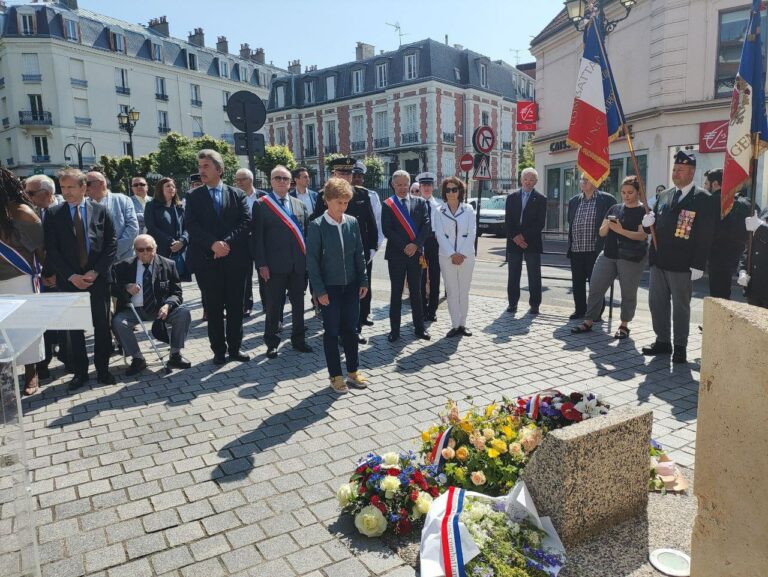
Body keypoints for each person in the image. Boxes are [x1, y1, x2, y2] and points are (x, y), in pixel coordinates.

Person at [44, 168, 117, 390]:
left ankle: (103, 370)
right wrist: (71, 276)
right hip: (70, 282)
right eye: (63, 188)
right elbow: (52, 251)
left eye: (71, 187)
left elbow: (111, 244)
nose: (66, 192)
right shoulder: (54, 214)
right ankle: (80, 373)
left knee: (102, 327)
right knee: (74, 329)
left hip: (97, 280)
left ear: (84, 187)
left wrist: (95, 272)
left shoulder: (101, 211)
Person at [641, 151, 715, 364]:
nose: (675, 173)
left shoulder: (702, 198)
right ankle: (663, 341)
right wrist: (648, 225)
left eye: (680, 170)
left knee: (681, 306)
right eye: (674, 169)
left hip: (682, 263)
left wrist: (699, 263)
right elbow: (655, 227)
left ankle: (680, 345)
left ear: (691, 172)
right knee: (657, 303)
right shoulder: (665, 196)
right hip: (659, 260)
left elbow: (705, 234)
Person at [185, 149, 252, 365]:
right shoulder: (193, 196)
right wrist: (213, 244)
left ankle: (235, 348)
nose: (201, 171)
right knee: (213, 309)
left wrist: (226, 243)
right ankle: (218, 351)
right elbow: (191, 226)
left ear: (219, 169)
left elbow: (246, 222)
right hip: (207, 261)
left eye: (206, 166)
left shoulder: (237, 194)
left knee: (235, 307)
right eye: (200, 166)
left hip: (234, 261)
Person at [306, 178, 369, 393]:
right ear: (327, 201)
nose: (342, 207)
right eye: (338, 203)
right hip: (330, 288)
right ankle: (335, 375)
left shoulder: (351, 222)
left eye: (345, 203)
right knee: (332, 332)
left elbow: (359, 253)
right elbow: (312, 261)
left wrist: (363, 280)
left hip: (351, 286)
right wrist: (319, 291)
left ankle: (353, 371)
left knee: (351, 330)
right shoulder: (317, 226)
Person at [571, 176, 649, 338]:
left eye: (630, 192)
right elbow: (601, 233)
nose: (626, 196)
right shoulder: (615, 208)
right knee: (595, 287)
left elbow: (642, 236)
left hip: (631, 257)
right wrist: (607, 225)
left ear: (638, 192)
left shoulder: (644, 210)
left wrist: (620, 230)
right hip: (608, 253)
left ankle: (624, 325)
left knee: (628, 292)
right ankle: (589, 320)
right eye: (623, 192)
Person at [312, 157, 378, 343]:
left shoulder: (362, 194)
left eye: (349, 173)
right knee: (338, 294)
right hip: (334, 256)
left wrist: (372, 247)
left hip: (359, 252)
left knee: (360, 291)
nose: (346, 176)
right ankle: (338, 331)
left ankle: (355, 328)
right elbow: (318, 224)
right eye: (342, 173)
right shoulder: (322, 196)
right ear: (334, 174)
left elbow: (371, 224)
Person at [251, 165, 313, 359]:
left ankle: (299, 340)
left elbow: (306, 234)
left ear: (290, 182)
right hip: (274, 267)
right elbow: (257, 239)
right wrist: (261, 264)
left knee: (299, 305)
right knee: (274, 306)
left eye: (285, 179)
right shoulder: (261, 205)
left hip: (298, 266)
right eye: (277, 178)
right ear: (271, 181)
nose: (282, 181)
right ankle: (272, 342)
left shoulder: (299, 204)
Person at [112, 234, 192, 375]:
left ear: (155, 248)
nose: (145, 252)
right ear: (135, 251)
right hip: (134, 309)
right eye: (140, 249)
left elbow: (177, 293)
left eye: (149, 248)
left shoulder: (168, 264)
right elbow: (111, 288)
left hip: (161, 309)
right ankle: (137, 358)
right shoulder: (122, 266)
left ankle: (175, 355)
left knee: (184, 313)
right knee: (118, 321)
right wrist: (126, 287)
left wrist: (168, 305)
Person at [0, 168, 45, 395]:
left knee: (26, 328)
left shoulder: (21, 212)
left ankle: (31, 373)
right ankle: (5, 377)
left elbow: (40, 248)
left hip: (20, 276)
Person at [382, 169, 432, 342]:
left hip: (415, 254)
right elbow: (387, 229)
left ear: (409, 184)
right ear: (393, 185)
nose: (402, 188)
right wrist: (405, 246)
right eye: (399, 185)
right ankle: (394, 331)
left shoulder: (420, 202)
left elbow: (426, 225)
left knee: (417, 293)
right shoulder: (388, 204)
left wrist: (415, 244)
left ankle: (419, 329)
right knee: (396, 293)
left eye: (405, 184)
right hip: (396, 255)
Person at [24, 175, 61, 380]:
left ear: (46, 194)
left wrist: (55, 272)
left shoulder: (65, 209)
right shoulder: (26, 213)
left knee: (65, 319)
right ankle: (43, 363)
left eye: (30, 193)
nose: (26, 196)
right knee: (42, 320)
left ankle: (68, 357)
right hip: (38, 277)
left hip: (62, 275)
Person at [566, 174, 616, 319]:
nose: (583, 182)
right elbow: (570, 221)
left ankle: (595, 313)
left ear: (595, 181)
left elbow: (612, 223)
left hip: (596, 250)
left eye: (586, 179)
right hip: (577, 249)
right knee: (577, 283)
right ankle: (580, 310)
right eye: (581, 179)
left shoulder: (607, 199)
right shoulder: (574, 200)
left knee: (596, 284)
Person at [432, 177, 476, 337]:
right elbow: (439, 235)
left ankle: (463, 324)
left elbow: (472, 232)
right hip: (446, 256)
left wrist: (462, 253)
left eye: (454, 189)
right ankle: (454, 324)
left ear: (460, 192)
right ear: (444, 192)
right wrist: (452, 253)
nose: (451, 193)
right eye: (448, 190)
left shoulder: (469, 209)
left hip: (467, 256)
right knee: (452, 291)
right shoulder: (439, 211)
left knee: (464, 291)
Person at [704, 169, 751, 299]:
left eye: (706, 184)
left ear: (714, 184)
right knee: (725, 294)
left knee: (717, 297)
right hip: (735, 256)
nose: (705, 187)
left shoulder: (711, 201)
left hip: (716, 257)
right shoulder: (742, 201)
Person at [505, 167, 547, 315]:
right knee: (513, 274)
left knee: (534, 275)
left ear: (536, 181)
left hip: (532, 242)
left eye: (531, 179)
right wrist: (516, 237)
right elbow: (508, 221)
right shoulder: (511, 197)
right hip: (513, 242)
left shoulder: (541, 199)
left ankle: (534, 305)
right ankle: (512, 304)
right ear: (521, 180)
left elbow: (539, 223)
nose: (528, 182)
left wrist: (523, 237)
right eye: (526, 179)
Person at [352, 160, 382, 328]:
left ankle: (365, 314)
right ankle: (353, 317)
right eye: (354, 175)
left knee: (366, 282)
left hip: (366, 247)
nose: (356, 178)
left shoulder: (371, 195)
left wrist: (374, 247)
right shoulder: (345, 194)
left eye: (359, 176)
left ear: (363, 178)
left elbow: (377, 223)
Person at [85, 171, 139, 263]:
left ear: (102, 183)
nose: (84, 187)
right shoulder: (83, 205)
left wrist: (112, 252)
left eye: (87, 183)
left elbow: (132, 228)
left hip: (122, 258)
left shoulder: (122, 199)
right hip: (95, 261)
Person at [233, 167, 266, 317]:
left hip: (261, 240)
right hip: (242, 242)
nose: (238, 182)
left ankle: (267, 303)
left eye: (242, 179)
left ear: (251, 180)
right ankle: (247, 305)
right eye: (237, 180)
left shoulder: (264, 196)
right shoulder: (234, 196)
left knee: (264, 272)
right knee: (244, 275)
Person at [144, 177, 190, 281]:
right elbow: (151, 227)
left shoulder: (180, 207)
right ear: (160, 189)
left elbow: (188, 227)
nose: (171, 188)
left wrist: (182, 241)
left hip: (179, 252)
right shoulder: (151, 206)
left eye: (173, 186)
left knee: (177, 285)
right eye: (168, 186)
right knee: (162, 282)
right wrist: (171, 242)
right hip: (161, 251)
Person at [416, 172, 442, 322]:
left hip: (434, 242)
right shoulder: (414, 203)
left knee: (435, 276)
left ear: (433, 187)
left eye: (429, 185)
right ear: (419, 187)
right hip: (420, 243)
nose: (426, 188)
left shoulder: (439, 204)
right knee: (420, 277)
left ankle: (432, 310)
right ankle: (422, 309)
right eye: (424, 185)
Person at [737, 208, 768, 308]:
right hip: (755, 286)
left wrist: (761, 227)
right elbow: (750, 247)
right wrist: (743, 270)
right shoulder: (765, 211)